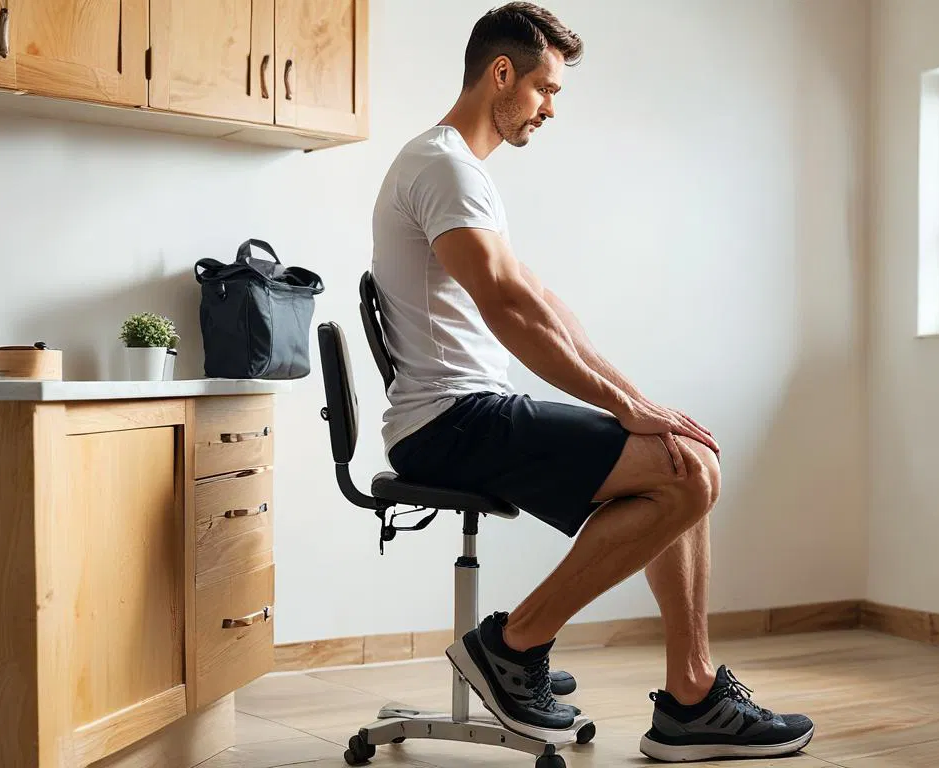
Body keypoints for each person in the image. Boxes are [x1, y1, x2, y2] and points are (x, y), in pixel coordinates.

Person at [369, 2, 814, 762]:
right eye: (546, 88)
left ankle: (690, 696)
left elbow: (543, 303)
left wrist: (642, 407)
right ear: (501, 73)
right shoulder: (443, 167)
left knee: (680, 453)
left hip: (466, 413)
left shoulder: (456, 170)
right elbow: (509, 309)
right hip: (451, 422)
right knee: (688, 472)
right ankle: (514, 646)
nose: (549, 108)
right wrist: (622, 406)